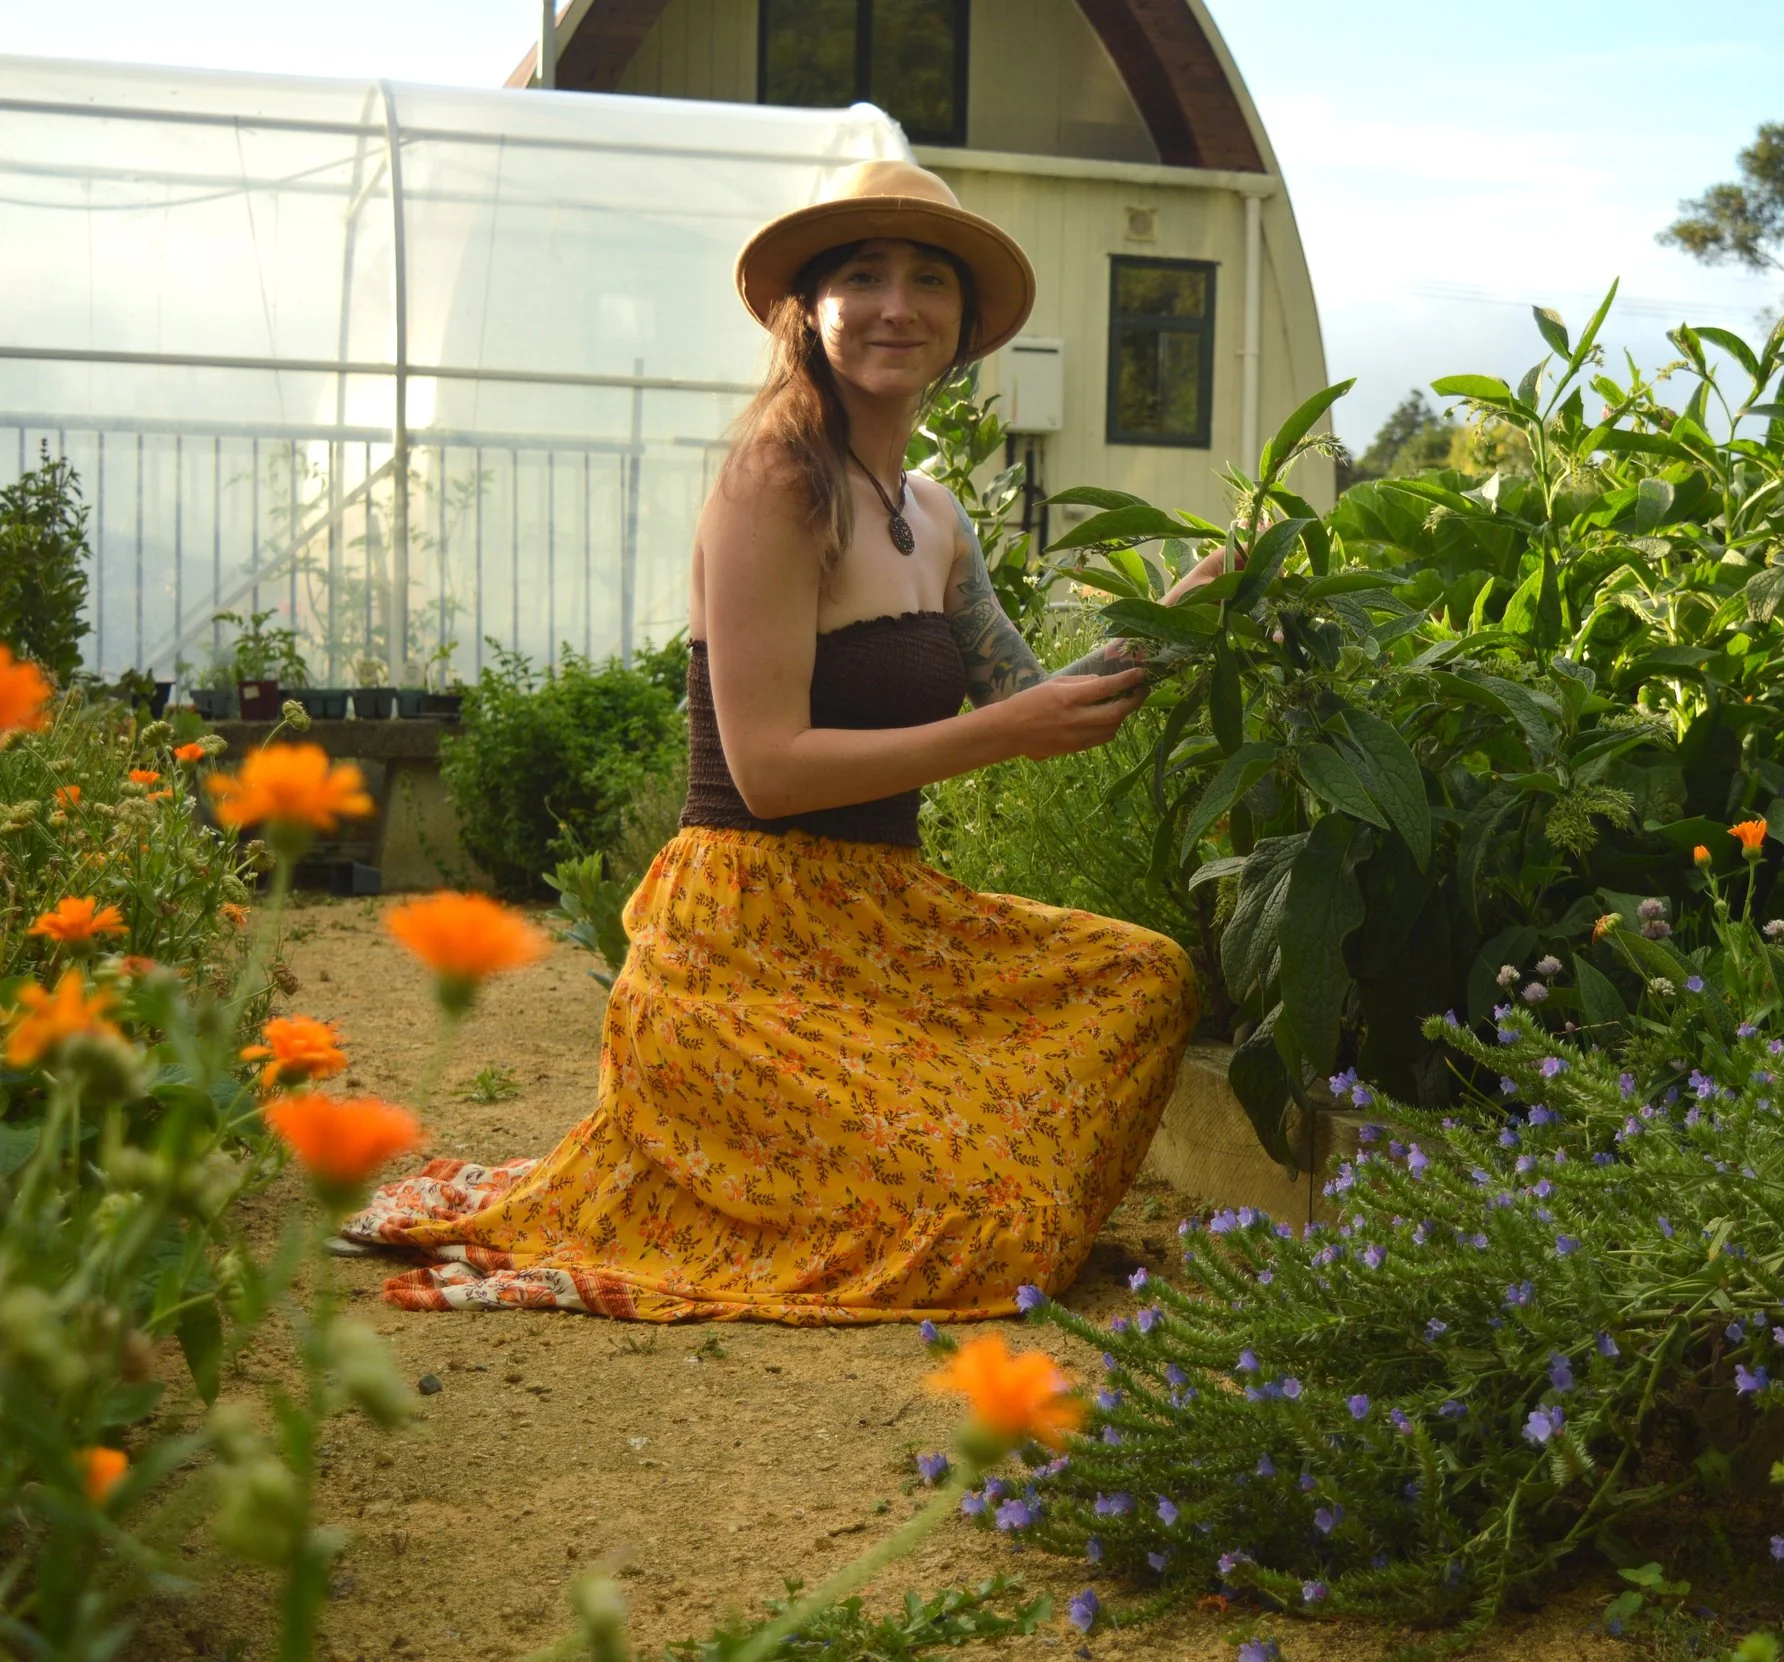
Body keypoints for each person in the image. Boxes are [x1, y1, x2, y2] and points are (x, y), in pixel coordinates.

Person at [340, 161, 1212, 1323]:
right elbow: (770, 768)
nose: (897, 304)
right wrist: (1000, 735)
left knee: (1144, 977)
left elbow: (1042, 700)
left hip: (886, 926)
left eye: (928, 278)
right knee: (981, 1230)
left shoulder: (936, 514)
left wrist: (1181, 622)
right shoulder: (774, 481)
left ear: (963, 321)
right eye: (863, 275)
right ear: (810, 309)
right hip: (743, 943)